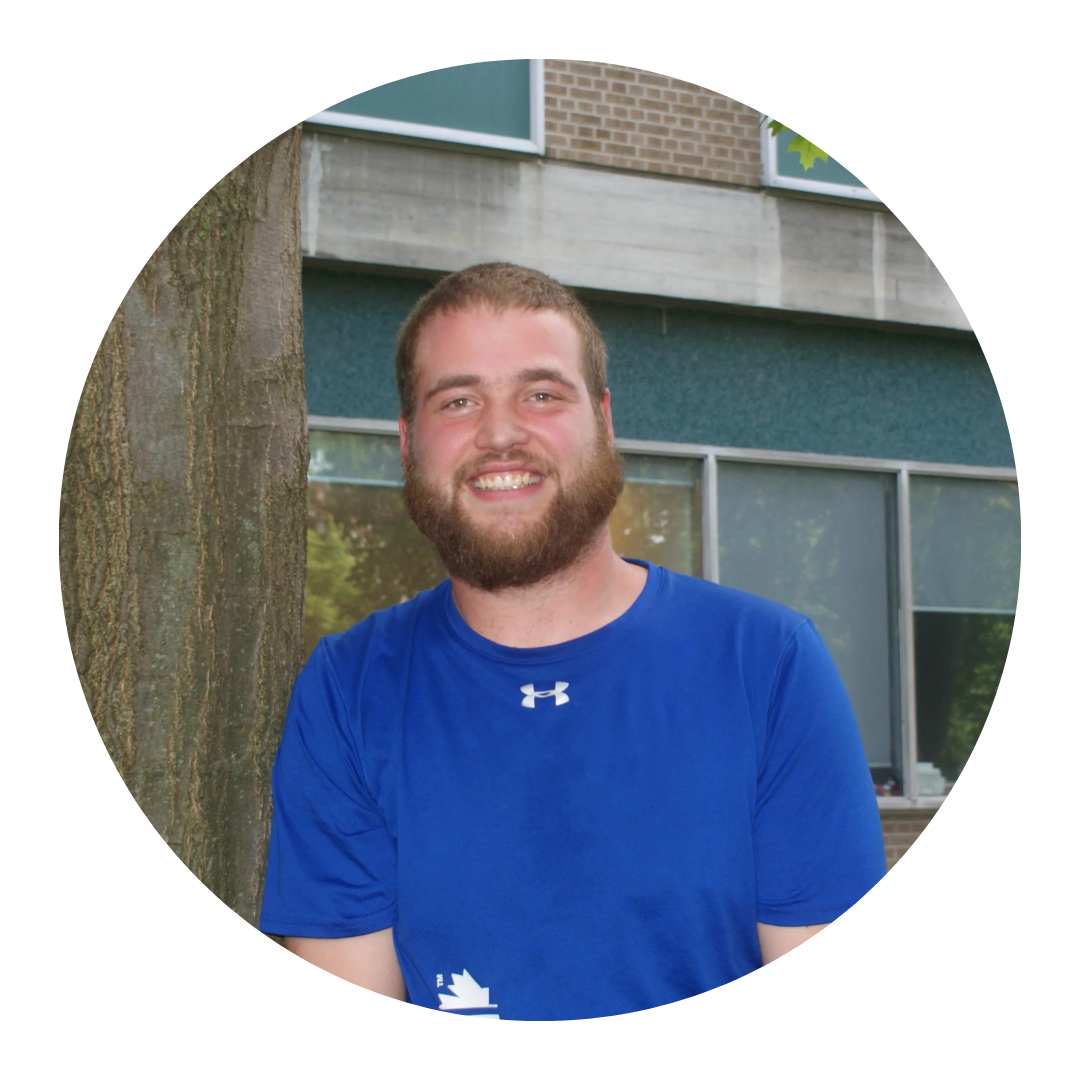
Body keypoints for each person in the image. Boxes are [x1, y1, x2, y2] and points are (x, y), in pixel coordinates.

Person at [259, 263, 886, 1020]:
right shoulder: (346, 691)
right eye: (458, 400)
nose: (499, 433)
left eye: (542, 394)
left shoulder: (767, 664)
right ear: (407, 441)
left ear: (605, 421)